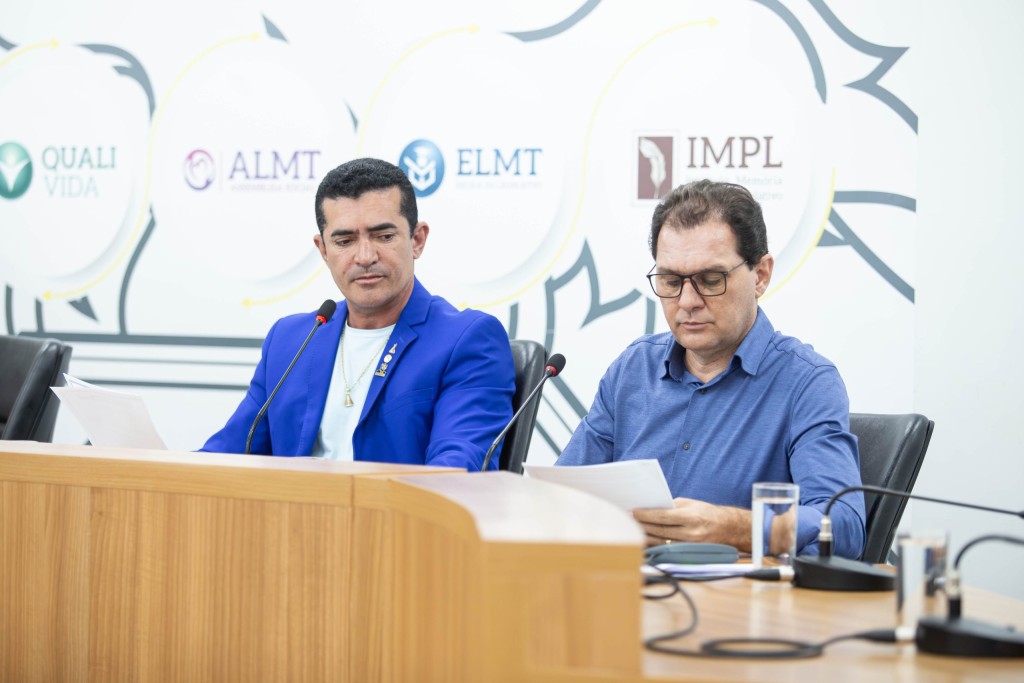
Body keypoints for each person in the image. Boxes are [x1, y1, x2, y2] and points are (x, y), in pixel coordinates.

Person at [556, 179, 865, 558]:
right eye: (671, 281)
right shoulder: (633, 368)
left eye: (710, 280)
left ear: (761, 275)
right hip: (623, 584)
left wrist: (738, 529)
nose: (687, 301)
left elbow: (844, 526)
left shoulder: (806, 382)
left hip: (735, 593)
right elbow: (559, 497)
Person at [202, 158, 516, 470]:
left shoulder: (466, 339)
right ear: (323, 250)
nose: (365, 257)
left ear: (417, 239)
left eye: (384, 236)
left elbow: (458, 469)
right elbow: (225, 456)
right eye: (344, 241)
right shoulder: (289, 340)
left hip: (398, 504)